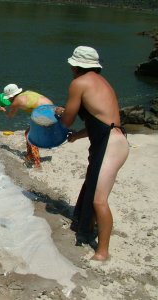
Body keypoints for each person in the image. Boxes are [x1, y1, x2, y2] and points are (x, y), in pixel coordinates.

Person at [55, 46, 129, 261]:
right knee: (91, 184)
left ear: (76, 65)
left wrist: (59, 112)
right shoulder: (101, 82)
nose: (70, 68)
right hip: (113, 140)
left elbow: (66, 120)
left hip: (110, 145)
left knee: (99, 200)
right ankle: (86, 226)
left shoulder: (79, 83)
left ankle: (103, 251)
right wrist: (77, 135)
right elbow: (102, 122)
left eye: (72, 65)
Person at [0, 83, 53, 168]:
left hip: (46, 114)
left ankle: (37, 163)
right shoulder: (26, 93)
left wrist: (4, 110)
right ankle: (29, 156)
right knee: (28, 132)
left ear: (12, 96)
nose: (8, 99)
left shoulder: (16, 102)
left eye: (8, 98)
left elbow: (10, 116)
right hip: (52, 111)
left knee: (30, 136)